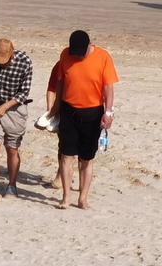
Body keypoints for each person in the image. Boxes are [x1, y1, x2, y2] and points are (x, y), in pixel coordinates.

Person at [46, 29, 118, 210]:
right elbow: (60, 82)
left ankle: (83, 198)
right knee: (66, 156)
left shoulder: (103, 57)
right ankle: (66, 198)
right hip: (68, 111)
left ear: (88, 46)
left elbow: (108, 88)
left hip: (93, 112)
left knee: (87, 158)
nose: (76, 56)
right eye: (74, 53)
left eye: (80, 53)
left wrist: (108, 113)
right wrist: (55, 109)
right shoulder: (65, 54)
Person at [0, 38, 32, 201]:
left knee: (12, 148)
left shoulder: (25, 62)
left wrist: (6, 106)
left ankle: (12, 186)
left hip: (14, 109)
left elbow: (24, 93)